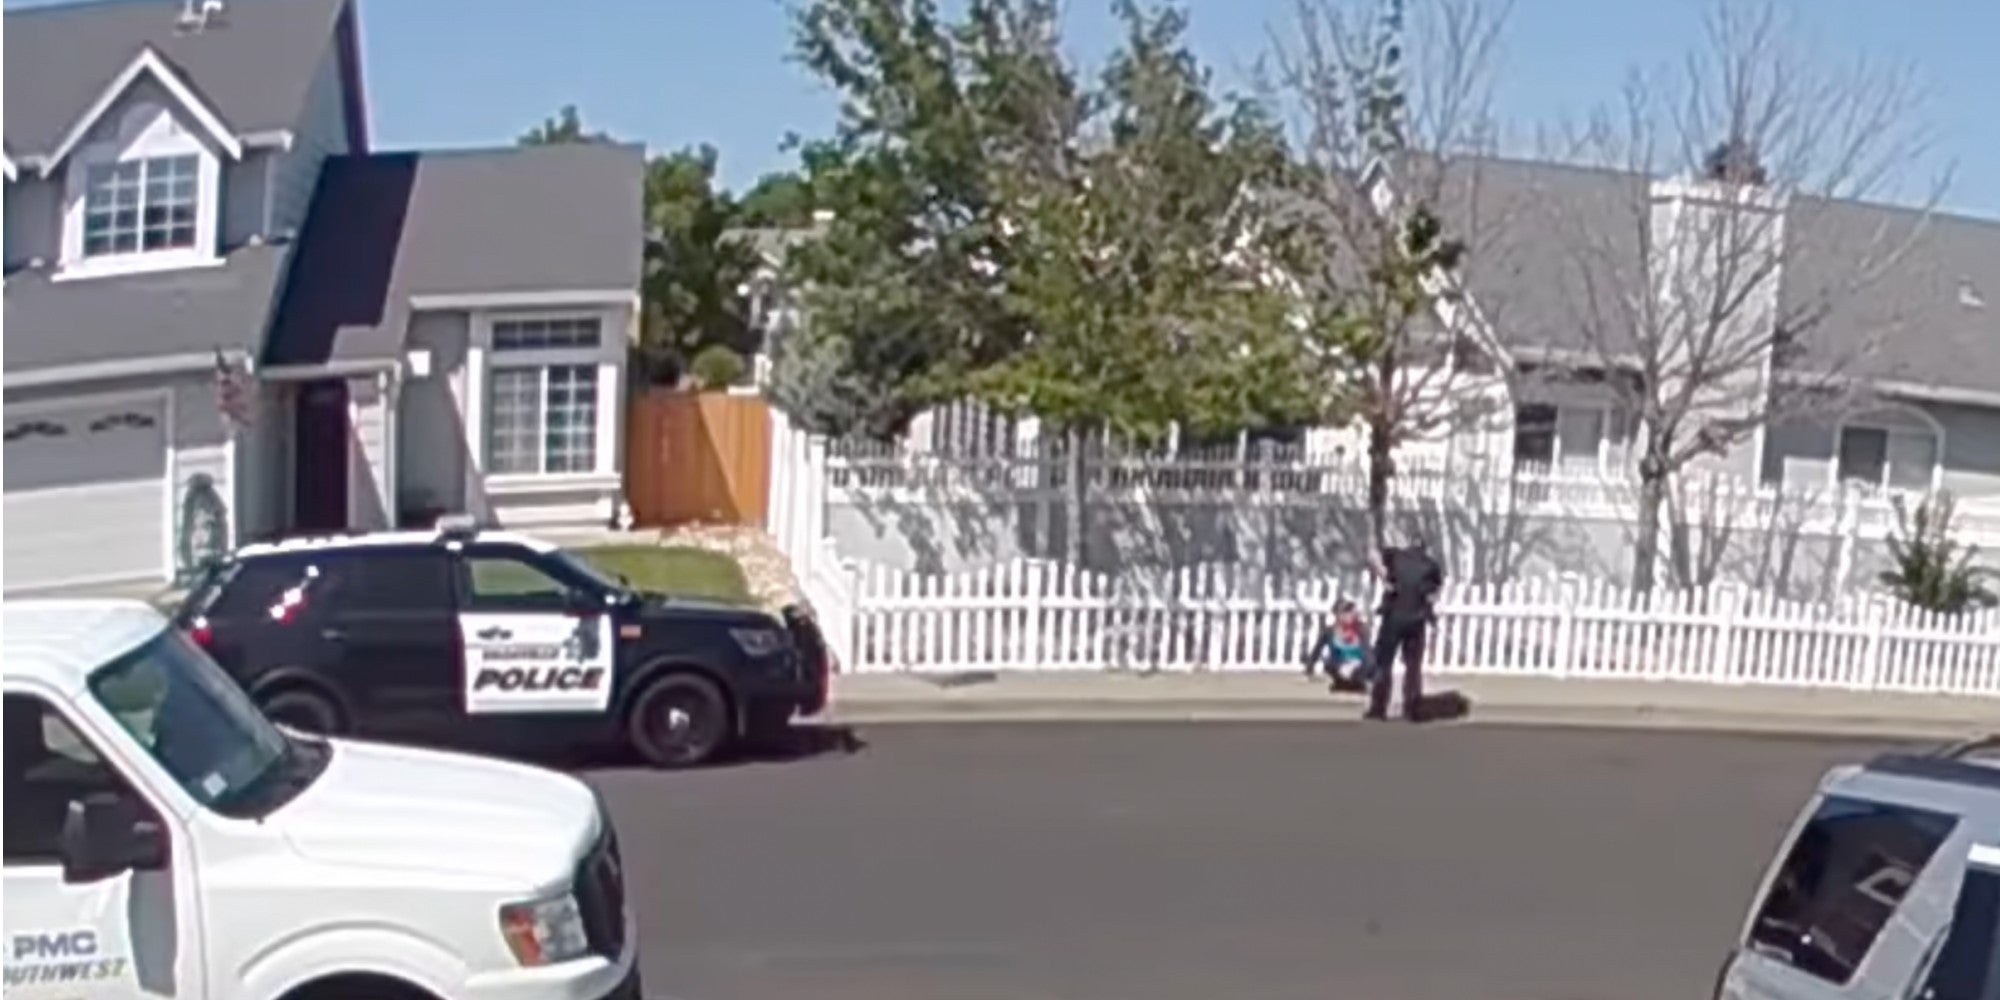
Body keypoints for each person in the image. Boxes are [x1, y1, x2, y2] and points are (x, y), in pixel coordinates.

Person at [1366, 535, 1445, 722]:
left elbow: (1372, 555)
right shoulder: (1431, 565)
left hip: (1393, 617)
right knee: (1413, 666)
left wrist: (1384, 577)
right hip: (1416, 620)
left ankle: (1378, 707)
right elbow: (1433, 594)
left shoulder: (1395, 557)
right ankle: (1412, 708)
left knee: (1384, 663)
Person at [1301, 599, 1373, 690]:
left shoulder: (1361, 629)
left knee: (1367, 662)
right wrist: (1309, 669)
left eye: (1349, 612)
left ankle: (1358, 683)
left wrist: (1353, 665)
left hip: (1358, 664)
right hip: (1340, 662)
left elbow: (1366, 651)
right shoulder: (1329, 631)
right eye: (1343, 612)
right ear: (1336, 614)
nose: (1347, 616)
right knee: (1329, 663)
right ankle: (1343, 683)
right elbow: (1317, 650)